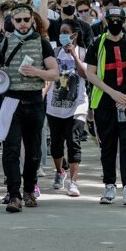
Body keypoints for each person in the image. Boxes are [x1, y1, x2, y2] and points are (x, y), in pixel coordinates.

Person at [0, 4, 59, 213]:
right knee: (11, 150)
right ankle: (14, 194)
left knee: (33, 151)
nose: (22, 24)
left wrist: (35, 72)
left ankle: (29, 190)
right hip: (10, 101)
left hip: (33, 100)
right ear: (11, 22)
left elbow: (55, 73)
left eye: (26, 19)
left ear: (32, 19)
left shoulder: (43, 44)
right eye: (18, 20)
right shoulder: (4, 43)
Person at [86, 7, 126, 206]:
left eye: (118, 19)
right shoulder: (97, 43)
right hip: (104, 102)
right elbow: (91, 74)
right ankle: (109, 185)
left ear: (125, 21)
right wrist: (112, 93)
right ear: (105, 21)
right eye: (111, 19)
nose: (115, 23)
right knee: (108, 145)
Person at [46, 19, 88, 197]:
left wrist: (75, 56)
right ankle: (59, 171)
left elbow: (86, 75)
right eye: (61, 32)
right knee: (56, 145)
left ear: (74, 35)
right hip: (55, 105)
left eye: (66, 32)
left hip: (77, 104)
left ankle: (73, 181)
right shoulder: (54, 52)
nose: (62, 35)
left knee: (74, 142)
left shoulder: (84, 52)